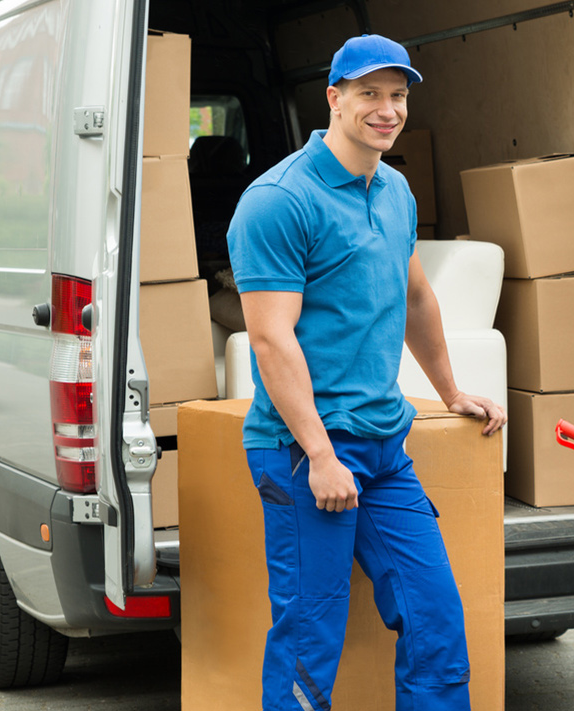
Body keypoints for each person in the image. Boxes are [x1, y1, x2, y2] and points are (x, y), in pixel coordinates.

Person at [227, 34, 505, 711]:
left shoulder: (395, 190)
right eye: (371, 94)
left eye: (399, 96)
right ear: (334, 97)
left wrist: (450, 389)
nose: (388, 109)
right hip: (303, 450)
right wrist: (320, 454)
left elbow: (413, 297)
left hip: (385, 449)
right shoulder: (278, 201)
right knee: (308, 642)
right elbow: (270, 337)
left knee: (435, 620)